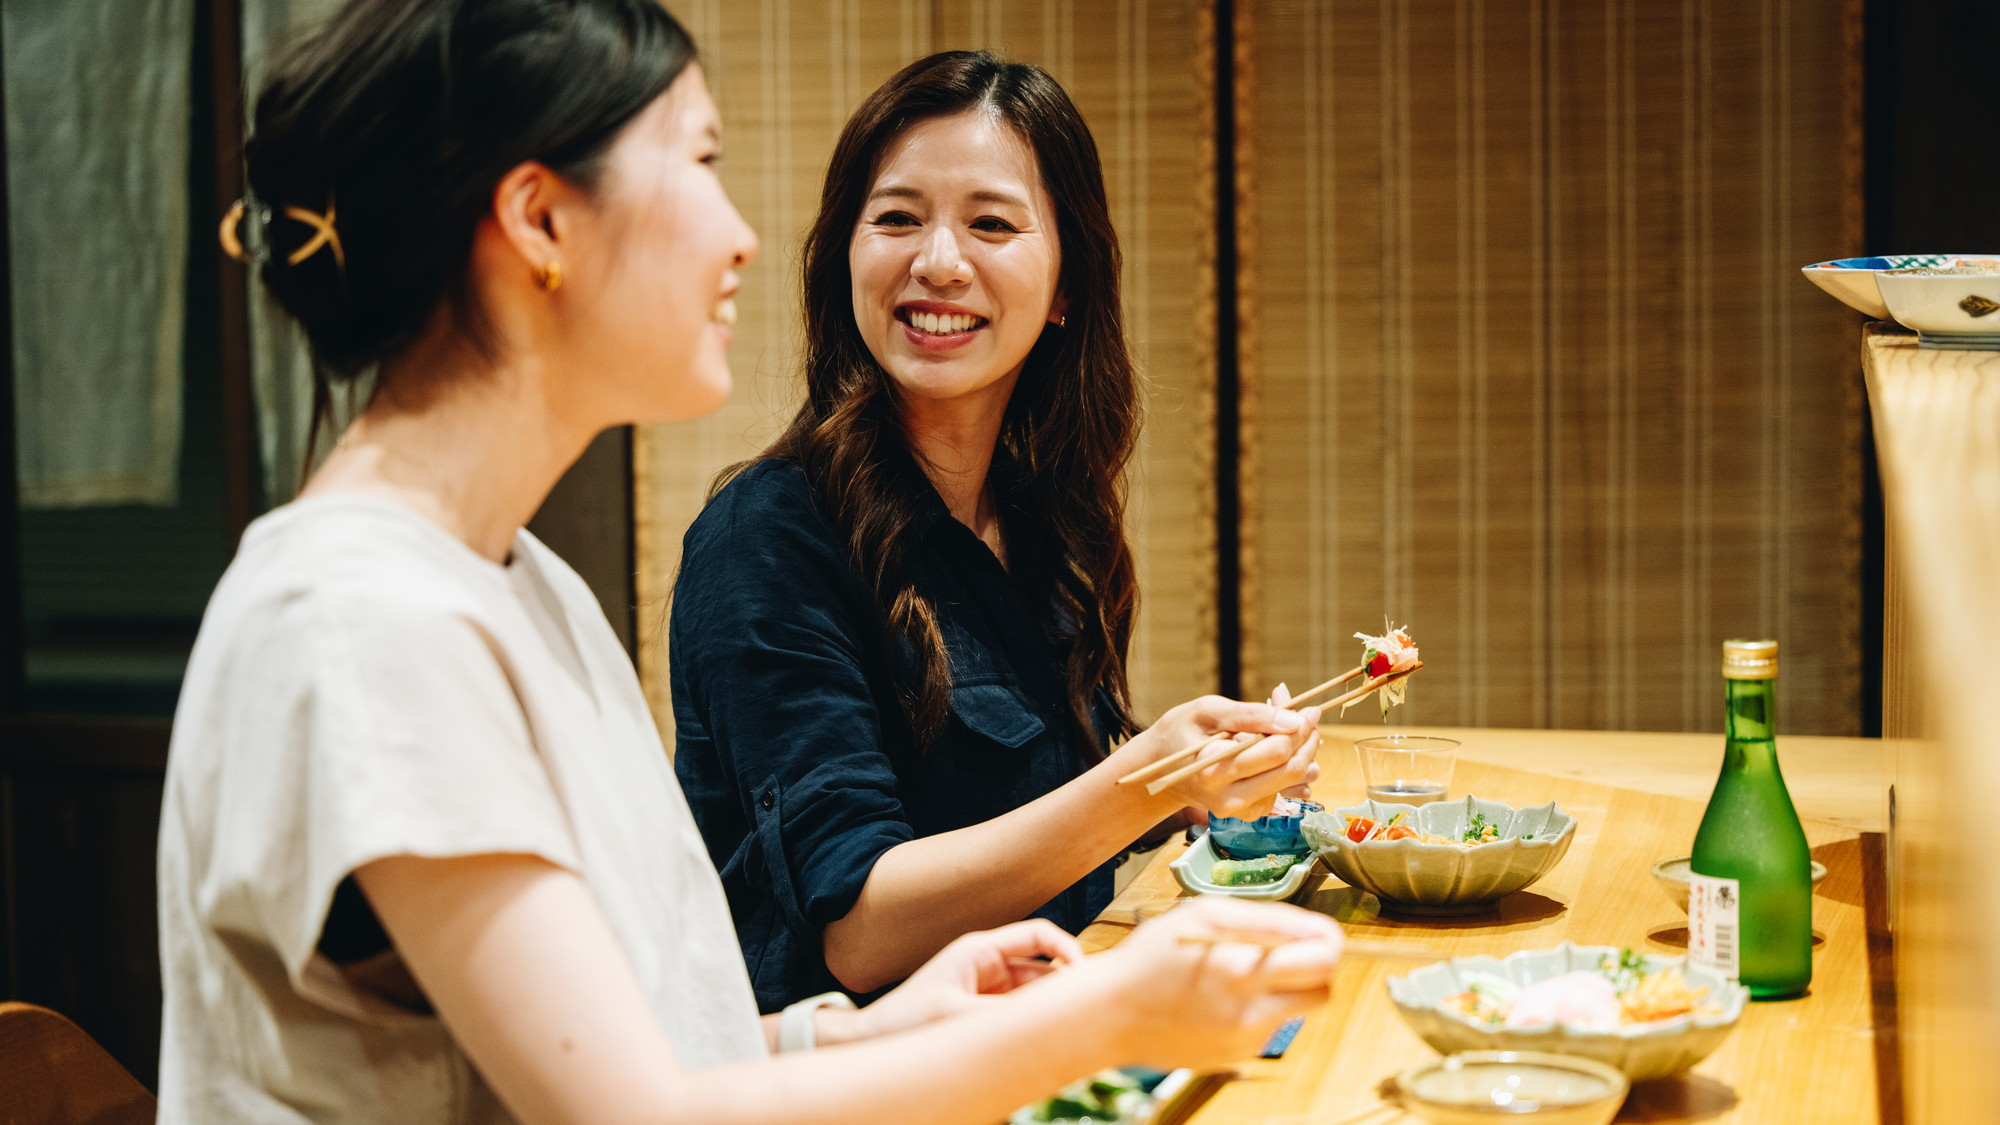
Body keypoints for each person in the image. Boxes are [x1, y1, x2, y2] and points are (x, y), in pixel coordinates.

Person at [156, 3, 1342, 1123]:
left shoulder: (517, 586)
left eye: (989, 223)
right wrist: (1107, 1012)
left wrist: (859, 1033)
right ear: (540, 222)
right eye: (700, 163)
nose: (742, 237)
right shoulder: (365, 620)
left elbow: (633, 1044)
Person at [671, 49, 1322, 1013]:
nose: (938, 261)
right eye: (896, 217)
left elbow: (1047, 816)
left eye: (991, 223)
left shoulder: (1045, 512)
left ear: (1065, 286)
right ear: (844, 254)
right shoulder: (765, 537)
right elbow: (860, 926)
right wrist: (1141, 785)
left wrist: (1194, 790)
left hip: (1050, 1032)